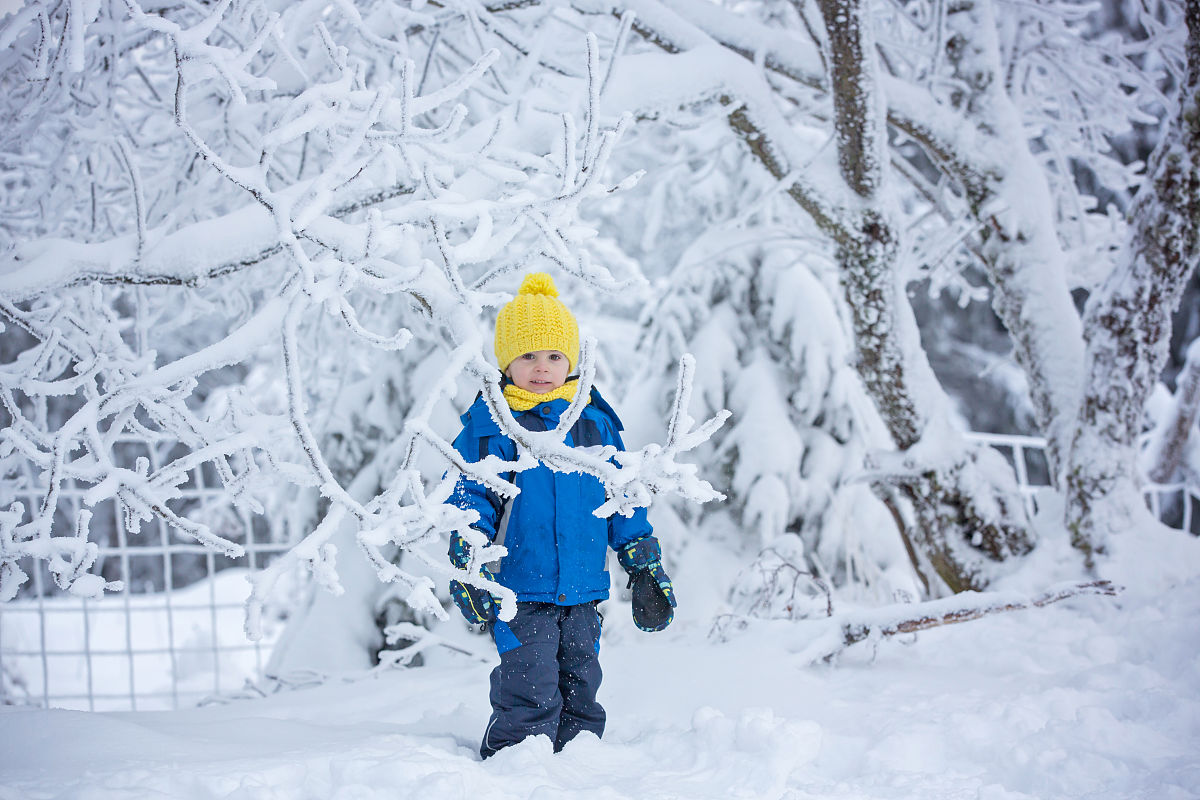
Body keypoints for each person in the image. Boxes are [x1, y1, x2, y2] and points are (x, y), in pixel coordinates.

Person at [447, 271, 677, 759]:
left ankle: (579, 766)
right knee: (528, 683)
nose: (542, 367)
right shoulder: (492, 425)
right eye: (528, 355)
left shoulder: (593, 422)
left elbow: (621, 497)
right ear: (506, 361)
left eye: (554, 355)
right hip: (519, 587)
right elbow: (469, 495)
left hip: (583, 586)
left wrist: (642, 560)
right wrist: (468, 557)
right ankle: (514, 763)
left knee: (581, 685)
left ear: (571, 360)